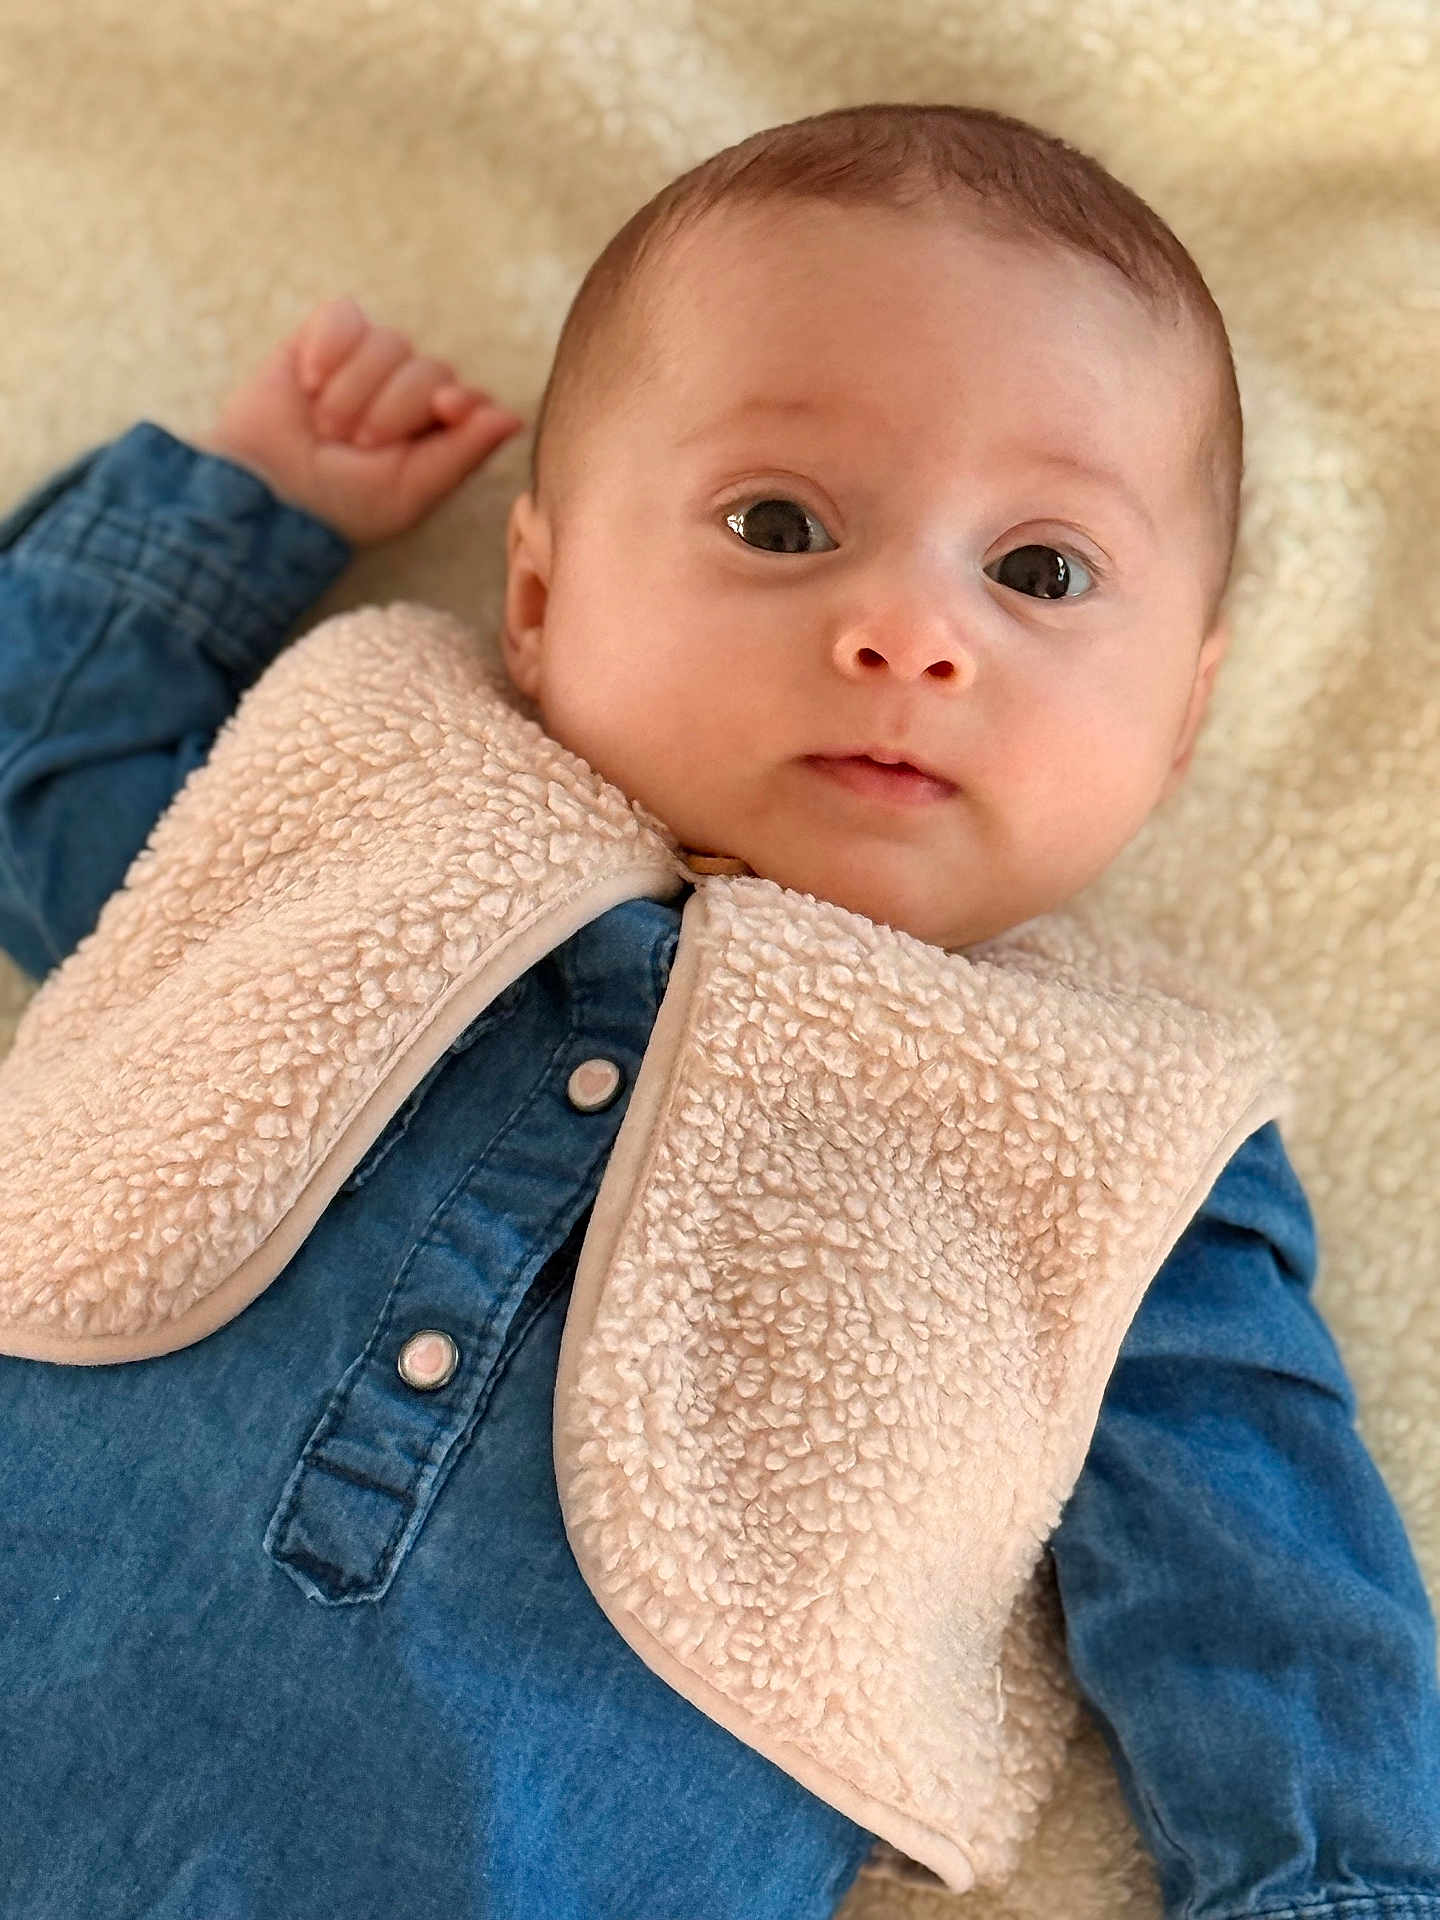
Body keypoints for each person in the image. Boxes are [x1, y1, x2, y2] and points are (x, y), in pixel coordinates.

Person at [1, 102, 1438, 1920]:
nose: (912, 631)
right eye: (782, 522)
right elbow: (53, 772)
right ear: (536, 593)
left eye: (1042, 570)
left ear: (1182, 715)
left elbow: (1265, 1564)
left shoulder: (1113, 1131)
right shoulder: (378, 804)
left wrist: (1331, 1884)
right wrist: (229, 517)